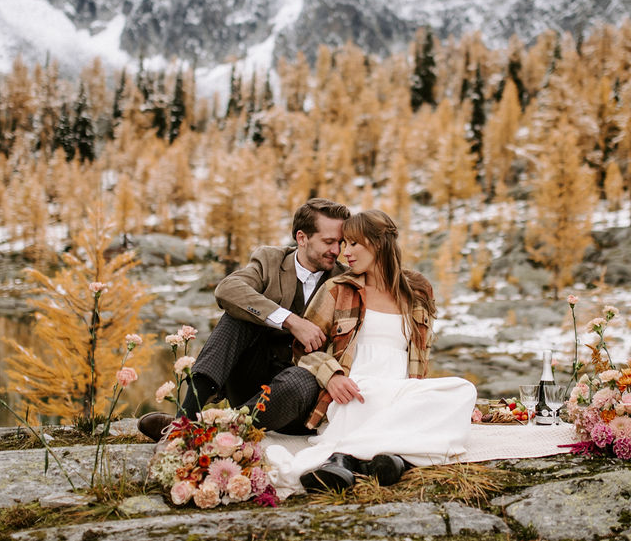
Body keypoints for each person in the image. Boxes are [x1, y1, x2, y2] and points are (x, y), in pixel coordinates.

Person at [265, 209, 477, 498]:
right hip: (357, 392)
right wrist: (332, 376)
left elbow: (419, 355)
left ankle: (349, 460)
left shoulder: (417, 291)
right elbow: (303, 350)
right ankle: (387, 458)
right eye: (343, 244)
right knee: (401, 406)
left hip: (401, 391)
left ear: (377, 243)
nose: (344, 252)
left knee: (463, 390)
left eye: (353, 243)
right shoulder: (338, 289)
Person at [138, 198, 350, 440]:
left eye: (340, 243)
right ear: (302, 238)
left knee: (302, 379)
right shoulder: (271, 260)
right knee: (237, 316)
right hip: (251, 384)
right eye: (329, 241)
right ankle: (184, 421)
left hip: (298, 401)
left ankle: (212, 431)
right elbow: (228, 289)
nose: (337, 250)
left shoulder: (345, 280)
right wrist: (291, 320)